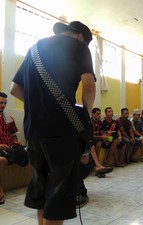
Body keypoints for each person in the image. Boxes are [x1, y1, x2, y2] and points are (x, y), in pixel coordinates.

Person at [10, 21, 96, 225]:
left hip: (34, 132)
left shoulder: (34, 50)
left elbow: (15, 89)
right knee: (59, 196)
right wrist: (87, 113)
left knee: (43, 193)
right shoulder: (79, 46)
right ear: (80, 37)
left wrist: (40, 105)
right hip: (61, 132)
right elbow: (89, 85)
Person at [0, 92, 21, 205]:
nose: (3, 105)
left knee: (26, 153)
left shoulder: (9, 119)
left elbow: (14, 136)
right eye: (0, 103)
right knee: (2, 160)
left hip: (9, 149)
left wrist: (15, 142)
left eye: (5, 103)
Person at [90, 107, 113, 176]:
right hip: (89, 140)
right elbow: (90, 136)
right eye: (98, 114)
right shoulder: (89, 122)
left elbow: (102, 132)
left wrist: (105, 137)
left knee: (101, 143)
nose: (99, 115)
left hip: (97, 140)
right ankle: (97, 166)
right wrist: (102, 137)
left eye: (100, 114)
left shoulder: (99, 122)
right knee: (94, 145)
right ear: (93, 114)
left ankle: (99, 166)